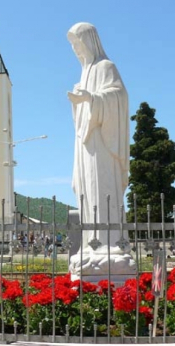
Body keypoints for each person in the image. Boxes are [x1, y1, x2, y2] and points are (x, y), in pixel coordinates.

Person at [66, 22, 129, 248]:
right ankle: (91, 243)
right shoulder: (83, 73)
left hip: (102, 142)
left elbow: (119, 97)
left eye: (78, 42)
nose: (75, 48)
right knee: (83, 190)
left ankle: (110, 244)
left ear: (90, 41)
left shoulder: (105, 67)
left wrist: (91, 99)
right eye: (72, 44)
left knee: (102, 190)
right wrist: (79, 102)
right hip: (84, 143)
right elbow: (81, 113)